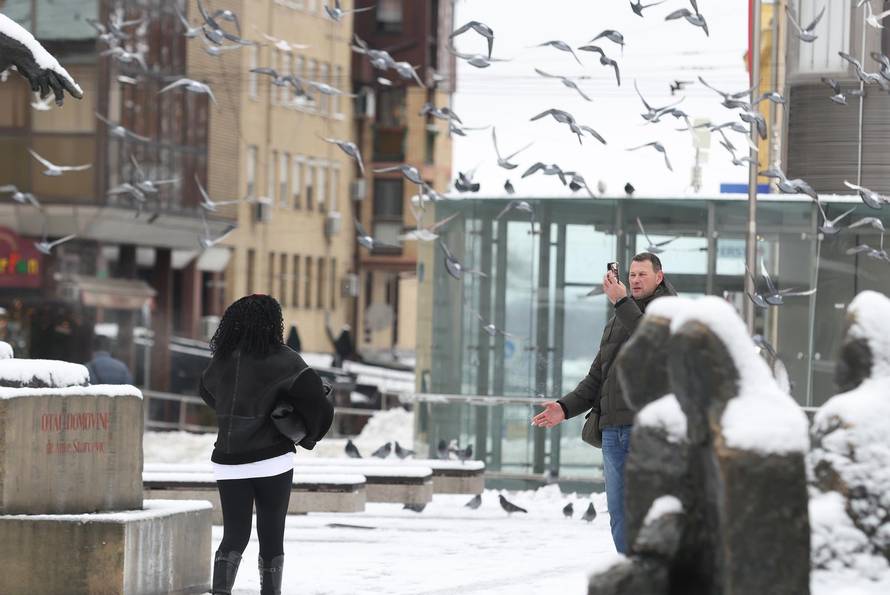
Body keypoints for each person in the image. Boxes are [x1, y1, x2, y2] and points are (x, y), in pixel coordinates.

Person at [532, 252, 676, 554]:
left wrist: (622, 303)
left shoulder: (671, 312)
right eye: (632, 274)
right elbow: (597, 377)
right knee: (620, 516)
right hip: (613, 431)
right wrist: (565, 407)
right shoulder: (618, 319)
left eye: (643, 275)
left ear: (659, 277)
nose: (635, 280)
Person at [200, 295, 333, 595]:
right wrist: (308, 433)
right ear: (274, 323)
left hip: (227, 462)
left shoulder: (221, 360)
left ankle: (220, 592)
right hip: (272, 460)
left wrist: (230, 416)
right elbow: (315, 399)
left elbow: (207, 391)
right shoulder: (283, 359)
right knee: (271, 535)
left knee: (234, 535)